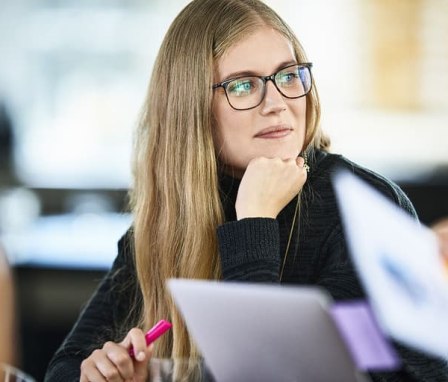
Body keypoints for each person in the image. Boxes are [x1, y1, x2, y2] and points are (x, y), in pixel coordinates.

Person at [45, 0, 448, 381]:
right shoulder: (167, 220)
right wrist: (103, 373)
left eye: (288, 76)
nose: (276, 102)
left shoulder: (357, 200)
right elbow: (63, 368)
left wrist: (255, 222)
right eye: (242, 86)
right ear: (191, 108)